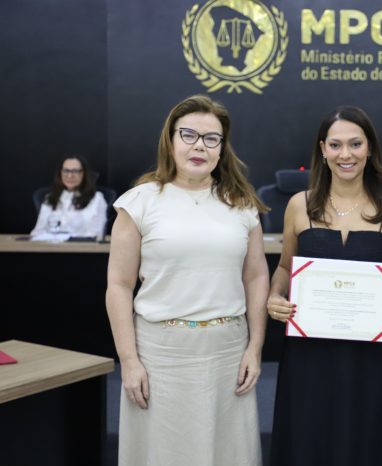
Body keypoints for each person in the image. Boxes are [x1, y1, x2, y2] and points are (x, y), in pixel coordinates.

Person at [105, 95, 269, 466]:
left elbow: (257, 276)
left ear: (222, 148)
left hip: (228, 354)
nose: (199, 146)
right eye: (189, 134)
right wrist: (128, 361)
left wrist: (255, 347)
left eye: (211, 138)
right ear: (170, 139)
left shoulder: (242, 203)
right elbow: (119, 285)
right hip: (160, 356)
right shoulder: (139, 202)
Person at [266, 106, 382, 466]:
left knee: (372, 439)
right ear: (323, 150)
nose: (345, 154)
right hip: (311, 353)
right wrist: (274, 296)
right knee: (310, 436)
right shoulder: (299, 205)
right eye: (335, 145)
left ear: (370, 148)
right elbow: (285, 266)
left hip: (373, 355)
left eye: (355, 144)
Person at [30, 155, 107, 237]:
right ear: (60, 173)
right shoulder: (49, 198)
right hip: (51, 244)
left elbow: (96, 234)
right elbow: (37, 232)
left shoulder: (97, 199)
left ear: (84, 174)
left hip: (82, 245)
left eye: (75, 171)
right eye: (66, 171)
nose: (70, 175)